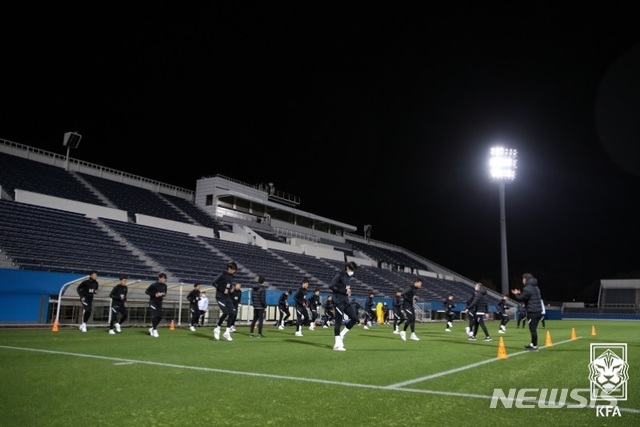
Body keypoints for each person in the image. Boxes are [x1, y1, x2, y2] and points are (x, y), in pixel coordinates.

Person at [330, 261, 359, 351]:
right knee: (338, 322)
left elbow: (346, 288)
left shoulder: (348, 277)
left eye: (353, 270)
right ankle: (337, 344)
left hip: (345, 301)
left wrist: (348, 292)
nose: (352, 272)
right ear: (347, 268)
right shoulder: (339, 275)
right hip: (338, 301)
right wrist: (343, 291)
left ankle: (342, 335)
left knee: (355, 318)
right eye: (351, 270)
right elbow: (331, 286)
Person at [511, 273, 544, 351]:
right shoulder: (536, 287)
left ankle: (535, 346)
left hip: (532, 311)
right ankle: (532, 344)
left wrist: (516, 294)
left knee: (533, 330)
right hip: (538, 311)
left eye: (523, 279)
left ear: (526, 279)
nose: (522, 281)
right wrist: (520, 294)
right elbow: (528, 297)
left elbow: (521, 299)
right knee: (534, 329)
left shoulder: (527, 288)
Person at [212, 261, 238, 341]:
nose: (234, 271)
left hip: (227, 297)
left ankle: (227, 332)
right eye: (233, 270)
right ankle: (217, 328)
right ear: (229, 268)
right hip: (220, 297)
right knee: (226, 312)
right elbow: (213, 283)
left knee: (233, 313)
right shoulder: (223, 274)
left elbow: (228, 286)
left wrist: (231, 289)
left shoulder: (232, 277)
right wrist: (222, 289)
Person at [145, 272, 167, 338]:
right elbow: (146, 291)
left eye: (164, 278)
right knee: (154, 316)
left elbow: (165, 293)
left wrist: (163, 294)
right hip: (153, 302)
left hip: (159, 303)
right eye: (162, 278)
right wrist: (154, 294)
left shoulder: (164, 286)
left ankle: (152, 328)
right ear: (159, 278)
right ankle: (154, 330)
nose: (163, 279)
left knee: (160, 317)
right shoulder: (154, 285)